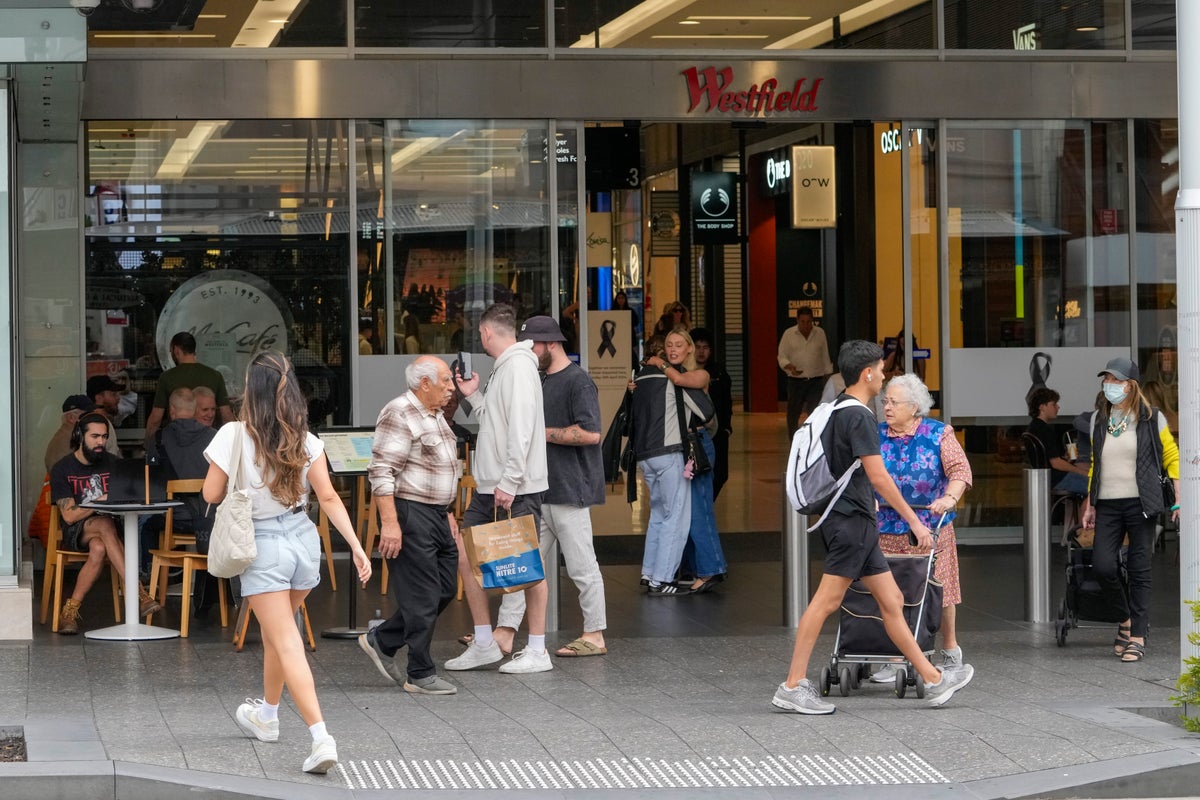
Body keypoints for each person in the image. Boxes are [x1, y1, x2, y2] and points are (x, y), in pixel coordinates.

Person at [770, 340, 974, 714]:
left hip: (857, 523)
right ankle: (792, 685)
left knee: (893, 602)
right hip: (850, 525)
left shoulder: (833, 408)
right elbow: (878, 477)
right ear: (867, 373)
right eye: (881, 369)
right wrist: (915, 521)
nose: (884, 376)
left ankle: (931, 678)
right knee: (826, 602)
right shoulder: (860, 416)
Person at [203, 352, 372, 774]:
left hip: (261, 545)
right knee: (280, 636)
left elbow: (209, 494)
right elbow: (329, 498)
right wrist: (355, 546)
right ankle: (268, 715)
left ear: (250, 389)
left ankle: (320, 737)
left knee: (287, 640)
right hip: (303, 541)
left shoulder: (233, 434)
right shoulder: (307, 439)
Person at [488, 316, 609, 657]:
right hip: (541, 491)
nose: (528, 350)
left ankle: (595, 634)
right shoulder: (538, 379)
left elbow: (592, 433)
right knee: (522, 566)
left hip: (570, 490)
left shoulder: (578, 382)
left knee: (582, 567)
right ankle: (505, 631)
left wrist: (540, 434)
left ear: (551, 343)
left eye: (533, 345)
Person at [445, 304, 553, 674]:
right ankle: (486, 642)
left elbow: (522, 429)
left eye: (480, 334)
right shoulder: (507, 367)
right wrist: (474, 396)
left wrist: (509, 481)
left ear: (486, 333)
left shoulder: (519, 367)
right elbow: (497, 422)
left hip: (513, 487)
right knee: (466, 554)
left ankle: (538, 650)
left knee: (529, 566)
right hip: (494, 485)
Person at [361, 356, 461, 695]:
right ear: (425, 383)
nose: (452, 387)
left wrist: (447, 511)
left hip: (436, 514)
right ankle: (419, 672)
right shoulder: (399, 412)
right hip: (409, 512)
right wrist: (390, 523)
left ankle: (384, 639)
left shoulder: (435, 415)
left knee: (445, 588)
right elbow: (381, 472)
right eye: (446, 381)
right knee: (423, 596)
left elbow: (439, 470)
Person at [869, 373, 972, 684]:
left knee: (941, 588)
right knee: (890, 594)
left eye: (894, 402)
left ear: (914, 407)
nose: (886, 407)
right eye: (885, 401)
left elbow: (960, 470)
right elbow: (861, 471)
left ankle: (950, 648)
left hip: (930, 525)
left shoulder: (937, 433)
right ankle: (894, 655)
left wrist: (949, 497)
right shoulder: (876, 435)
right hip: (886, 526)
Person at [1080, 356, 1179, 664]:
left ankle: (1137, 635)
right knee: (1103, 565)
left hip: (1142, 503)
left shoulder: (1152, 417)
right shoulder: (1100, 418)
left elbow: (1171, 456)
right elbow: (1096, 464)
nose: (1109, 385)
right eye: (1106, 379)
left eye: (1115, 380)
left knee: (1139, 568)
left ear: (1130, 385)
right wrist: (1089, 502)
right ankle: (1126, 620)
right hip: (1108, 504)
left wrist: (1178, 497)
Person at [50, 413, 162, 635]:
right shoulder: (62, 468)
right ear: (80, 435)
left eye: (104, 436)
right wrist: (99, 500)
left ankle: (69, 611)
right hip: (76, 531)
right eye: (94, 436)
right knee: (103, 524)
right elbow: (70, 517)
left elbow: (130, 494)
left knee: (99, 547)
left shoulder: (113, 463)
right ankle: (139, 592)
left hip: (110, 531)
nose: (100, 441)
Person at [633, 327, 712, 596]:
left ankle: (649, 572)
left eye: (678, 344)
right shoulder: (675, 378)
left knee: (657, 514)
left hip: (645, 456)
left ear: (687, 347)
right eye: (670, 345)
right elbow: (706, 412)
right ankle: (663, 578)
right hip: (669, 452)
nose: (673, 348)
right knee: (675, 517)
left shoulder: (641, 376)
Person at [144, 332, 234, 443]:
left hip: (177, 441)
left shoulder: (167, 377)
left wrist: (148, 446)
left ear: (176, 350)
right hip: (208, 442)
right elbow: (227, 416)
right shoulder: (215, 375)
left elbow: (155, 419)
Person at [777, 307, 833, 438]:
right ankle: (794, 443)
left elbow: (825, 356)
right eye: (802, 321)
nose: (806, 325)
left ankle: (813, 443)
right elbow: (781, 356)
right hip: (795, 382)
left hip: (816, 381)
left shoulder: (820, 333)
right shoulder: (789, 334)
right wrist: (789, 366)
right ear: (797, 320)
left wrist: (829, 376)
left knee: (815, 414)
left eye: (808, 321)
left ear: (813, 320)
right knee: (793, 415)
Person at [690, 327, 732, 499]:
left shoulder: (719, 373)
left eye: (705, 347)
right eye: (697, 347)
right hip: (693, 432)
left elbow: (726, 402)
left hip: (718, 431)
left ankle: (707, 501)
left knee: (721, 473)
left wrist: (727, 428)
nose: (701, 351)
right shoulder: (684, 372)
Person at [1026, 388, 1089, 490]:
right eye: (1054, 404)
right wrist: (1080, 471)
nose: (1058, 407)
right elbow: (1056, 463)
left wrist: (1064, 459)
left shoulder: (1033, 427)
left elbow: (1049, 459)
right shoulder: (1044, 430)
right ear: (1042, 407)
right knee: (1098, 488)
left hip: (1047, 478)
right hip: (1057, 478)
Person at [44, 395, 98, 472]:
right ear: (71, 418)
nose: (93, 418)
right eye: (87, 414)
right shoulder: (67, 441)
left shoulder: (69, 437)